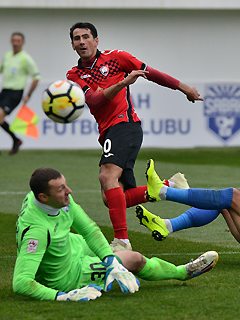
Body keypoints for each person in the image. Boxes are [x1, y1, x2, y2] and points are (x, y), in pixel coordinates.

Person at [66, 22, 203, 251]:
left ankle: (122, 241)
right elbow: (94, 101)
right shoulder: (74, 74)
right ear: (72, 45)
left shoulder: (117, 57)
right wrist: (123, 83)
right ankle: (169, 186)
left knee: (106, 176)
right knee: (112, 197)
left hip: (125, 124)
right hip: (108, 131)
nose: (82, 42)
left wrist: (184, 87)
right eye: (77, 38)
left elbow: (153, 74)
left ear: (96, 41)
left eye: (86, 37)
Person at [12, 167, 218, 301]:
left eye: (65, 184)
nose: (69, 191)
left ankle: (111, 263)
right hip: (68, 275)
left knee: (112, 255)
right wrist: (61, 296)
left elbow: (89, 230)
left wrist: (110, 260)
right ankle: (183, 272)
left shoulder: (50, 199)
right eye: (60, 189)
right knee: (134, 259)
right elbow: (21, 282)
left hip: (69, 244)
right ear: (43, 197)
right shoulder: (37, 233)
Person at [0, 32, 41, 155]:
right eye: (13, 40)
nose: (15, 43)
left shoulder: (26, 58)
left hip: (15, 92)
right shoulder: (7, 55)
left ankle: (16, 139)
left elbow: (36, 77)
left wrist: (29, 94)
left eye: (18, 41)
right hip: (4, 91)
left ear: (22, 43)